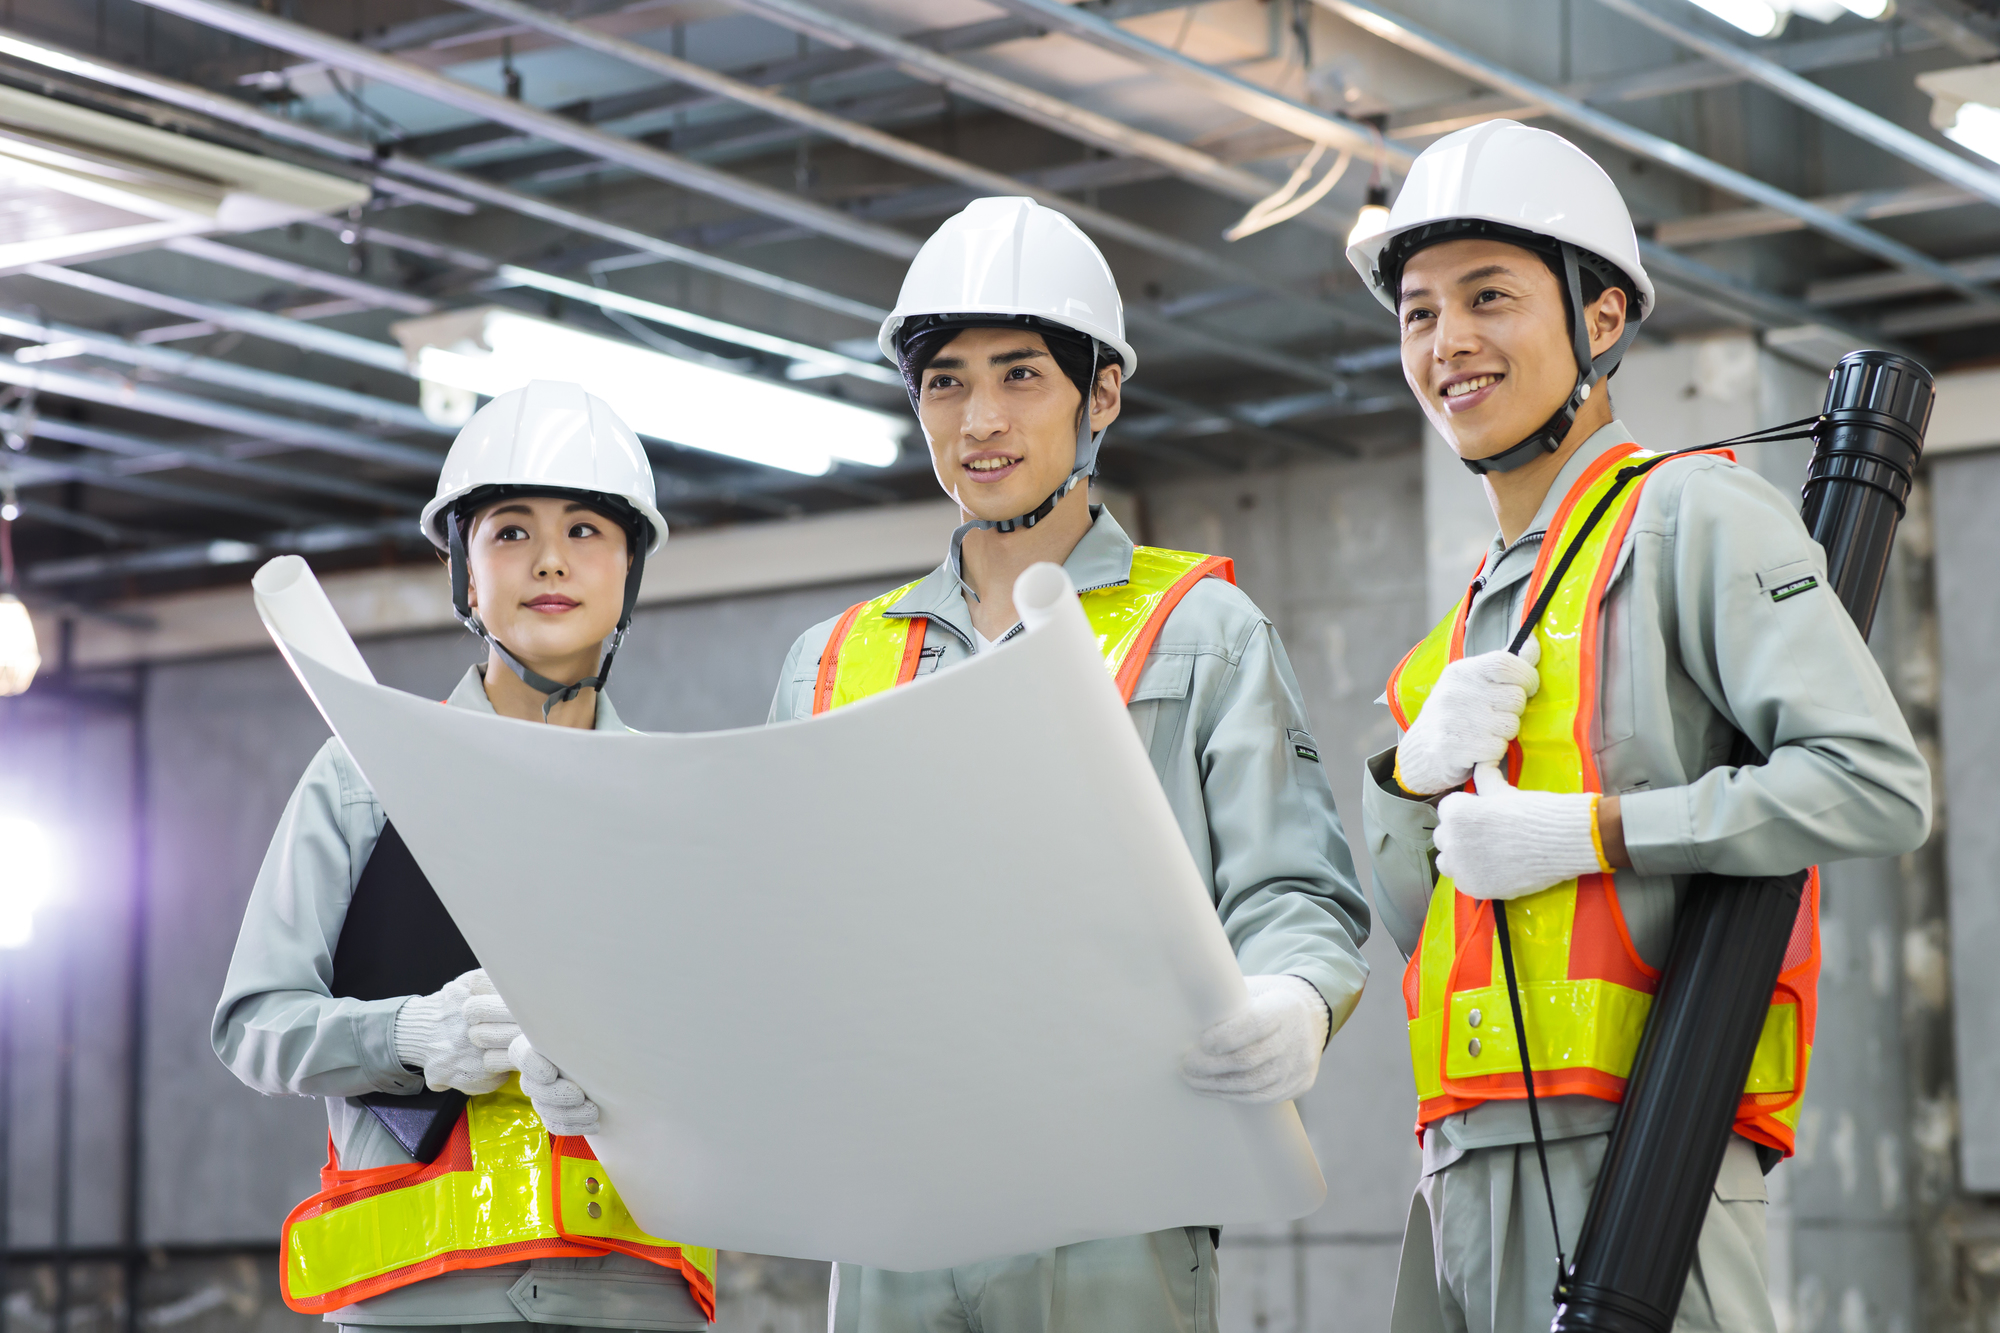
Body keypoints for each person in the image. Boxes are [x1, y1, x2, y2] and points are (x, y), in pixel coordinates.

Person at [1347, 121, 1931, 1333]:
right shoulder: (1449, 638)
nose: (1445, 341)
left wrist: (1596, 831)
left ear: (1600, 318)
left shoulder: (1690, 517)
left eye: (1487, 297)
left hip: (1645, 1154)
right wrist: (1407, 778)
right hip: (1460, 1160)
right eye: (1415, 312)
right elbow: (1419, 923)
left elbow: (1873, 784)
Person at [767, 195, 1371, 1333]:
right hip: (897, 1197)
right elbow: (780, 935)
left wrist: (1293, 996)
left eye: (1020, 375)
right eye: (944, 380)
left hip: (1117, 1194)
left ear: (1100, 394)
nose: (978, 418)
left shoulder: (1204, 630)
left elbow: (1294, 889)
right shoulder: (829, 659)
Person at [213, 381, 718, 1331]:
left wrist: (649, 1080)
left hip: (631, 1298)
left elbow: (748, 1051)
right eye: (511, 531)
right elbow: (254, 1025)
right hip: (416, 1299)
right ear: (465, 572)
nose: (551, 561)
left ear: (628, 571)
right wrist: (407, 1037)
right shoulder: (366, 772)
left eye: (586, 531)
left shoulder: (681, 799)